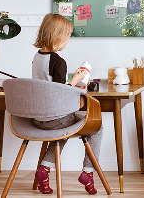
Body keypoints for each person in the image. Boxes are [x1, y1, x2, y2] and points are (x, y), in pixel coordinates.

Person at [32, 13, 102, 195]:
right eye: (68, 36)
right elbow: (59, 93)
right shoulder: (58, 61)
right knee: (97, 126)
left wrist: (71, 82)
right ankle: (88, 172)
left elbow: (49, 86)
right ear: (59, 37)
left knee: (63, 130)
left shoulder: (37, 57)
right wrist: (76, 81)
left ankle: (44, 170)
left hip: (38, 118)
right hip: (55, 118)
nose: (68, 40)